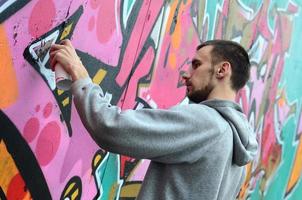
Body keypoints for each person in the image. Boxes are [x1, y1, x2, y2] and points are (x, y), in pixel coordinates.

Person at [50, 39, 258, 200]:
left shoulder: (206, 123)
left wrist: (80, 75)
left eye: (196, 65)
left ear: (222, 69)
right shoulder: (237, 143)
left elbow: (111, 128)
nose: (187, 73)